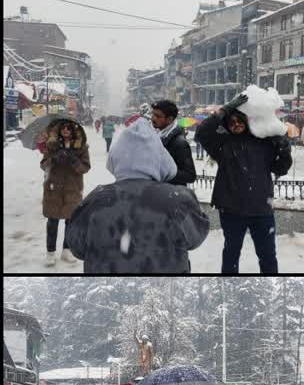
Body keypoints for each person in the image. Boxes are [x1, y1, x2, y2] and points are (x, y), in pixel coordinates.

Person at [65, 117, 209, 273]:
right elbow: (196, 236)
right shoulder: (177, 200)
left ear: (116, 159)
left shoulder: (95, 200)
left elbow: (76, 246)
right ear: (160, 159)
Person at [195, 93, 293, 274]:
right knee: (231, 253)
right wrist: (225, 110)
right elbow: (202, 133)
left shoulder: (264, 142)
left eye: (239, 121)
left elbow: (280, 169)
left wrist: (285, 151)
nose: (236, 125)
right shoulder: (222, 144)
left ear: (247, 122)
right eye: (231, 122)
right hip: (232, 211)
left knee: (268, 256)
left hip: (261, 210)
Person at [41, 119, 91, 267]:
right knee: (52, 222)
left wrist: (74, 160)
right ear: (59, 130)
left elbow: (85, 168)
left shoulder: (82, 148)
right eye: (63, 128)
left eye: (69, 128)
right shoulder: (51, 146)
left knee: (70, 221)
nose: (66, 130)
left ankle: (66, 250)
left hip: (72, 189)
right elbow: (43, 165)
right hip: (53, 189)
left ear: (74, 131)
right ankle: (50, 253)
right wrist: (53, 159)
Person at [150, 100, 197, 186]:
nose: (153, 118)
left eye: (157, 116)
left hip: (171, 195)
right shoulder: (156, 136)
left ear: (169, 119)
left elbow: (190, 175)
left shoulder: (179, 143)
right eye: (153, 114)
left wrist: (163, 173)